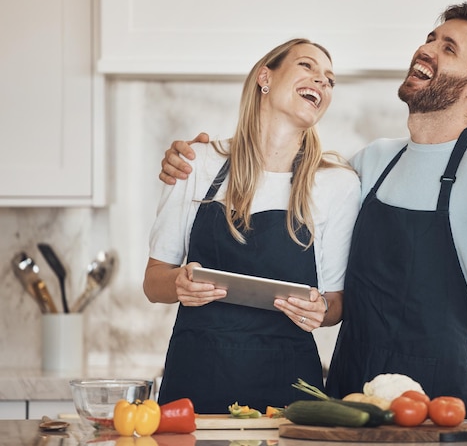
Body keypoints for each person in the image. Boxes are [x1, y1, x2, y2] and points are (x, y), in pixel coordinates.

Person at [156, 3, 467, 436]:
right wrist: (194, 158)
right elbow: (289, 170)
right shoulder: (372, 162)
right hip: (348, 393)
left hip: (436, 401)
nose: (427, 48)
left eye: (448, 48)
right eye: (432, 38)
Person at [144, 38, 361, 414]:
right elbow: (153, 281)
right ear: (265, 77)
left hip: (288, 388)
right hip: (196, 384)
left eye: (330, 80)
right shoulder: (198, 163)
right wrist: (179, 283)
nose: (322, 82)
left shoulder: (337, 183)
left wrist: (320, 309)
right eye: (307, 66)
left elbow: (336, 304)